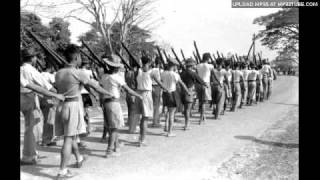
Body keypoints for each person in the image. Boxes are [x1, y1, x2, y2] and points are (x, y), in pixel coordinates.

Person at [54, 44, 114, 179]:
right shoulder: (78, 72)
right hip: (72, 106)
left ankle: (79, 158)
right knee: (68, 139)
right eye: (80, 56)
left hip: (61, 106)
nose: (81, 58)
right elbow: (96, 86)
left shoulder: (59, 73)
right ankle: (62, 171)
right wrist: (109, 94)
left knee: (71, 135)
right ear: (76, 57)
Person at [20, 48, 65, 165]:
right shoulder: (30, 70)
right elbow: (45, 85)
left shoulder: (21, 69)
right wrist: (56, 93)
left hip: (24, 98)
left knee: (31, 126)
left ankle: (31, 153)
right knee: (33, 127)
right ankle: (28, 156)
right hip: (28, 98)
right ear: (33, 58)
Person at [100, 54, 142, 157]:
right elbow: (128, 90)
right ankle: (109, 150)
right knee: (114, 128)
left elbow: (101, 90)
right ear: (117, 67)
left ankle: (116, 146)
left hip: (106, 102)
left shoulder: (104, 76)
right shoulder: (116, 77)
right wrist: (138, 95)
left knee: (112, 127)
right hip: (114, 103)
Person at [134, 56, 168, 145]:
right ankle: (143, 139)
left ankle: (141, 137)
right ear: (149, 62)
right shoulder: (151, 72)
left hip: (138, 93)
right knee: (145, 119)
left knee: (142, 118)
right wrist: (166, 89)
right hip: (146, 94)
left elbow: (135, 82)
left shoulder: (137, 71)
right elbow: (159, 83)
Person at [161, 58, 190, 136]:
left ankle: (166, 126)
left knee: (167, 110)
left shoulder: (163, 73)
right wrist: (188, 92)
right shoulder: (175, 74)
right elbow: (182, 84)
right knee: (171, 113)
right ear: (173, 66)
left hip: (164, 93)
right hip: (172, 94)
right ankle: (170, 132)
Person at [180, 58, 207, 130]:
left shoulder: (182, 73)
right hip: (189, 91)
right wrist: (206, 85)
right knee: (188, 109)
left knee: (186, 109)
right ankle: (186, 124)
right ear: (192, 65)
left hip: (182, 91)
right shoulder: (192, 73)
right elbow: (200, 81)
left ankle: (186, 123)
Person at [40, 65, 58, 146]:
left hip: (41, 98)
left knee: (46, 119)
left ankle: (47, 139)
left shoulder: (39, 74)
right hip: (49, 98)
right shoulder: (49, 75)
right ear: (50, 67)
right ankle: (47, 140)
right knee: (50, 120)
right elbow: (54, 86)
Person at [196, 53, 214, 124]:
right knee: (204, 102)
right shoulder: (210, 66)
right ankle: (201, 118)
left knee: (200, 101)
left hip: (199, 83)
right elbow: (213, 75)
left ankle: (203, 116)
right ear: (208, 58)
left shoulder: (198, 66)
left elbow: (196, 75)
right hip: (206, 83)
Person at [151, 57, 163, 127]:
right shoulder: (160, 71)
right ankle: (155, 122)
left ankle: (156, 120)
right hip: (157, 87)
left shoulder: (151, 70)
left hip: (152, 87)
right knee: (157, 106)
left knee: (155, 105)